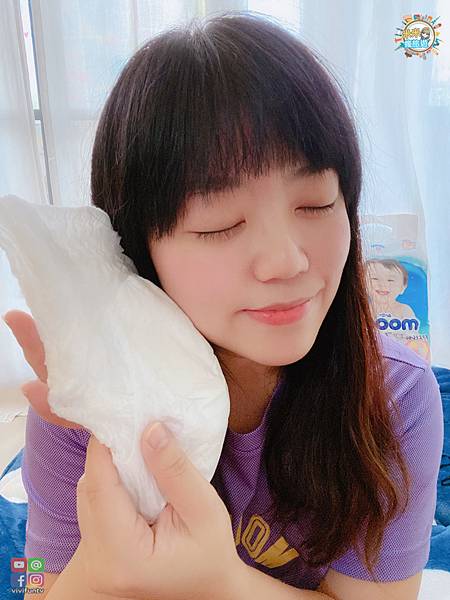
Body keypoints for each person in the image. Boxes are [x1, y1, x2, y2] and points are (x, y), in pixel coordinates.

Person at [3, 10, 443, 600]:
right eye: (218, 224)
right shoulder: (84, 408)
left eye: (316, 203)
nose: (286, 260)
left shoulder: (393, 395)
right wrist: (102, 566)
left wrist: (218, 581)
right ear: (139, 246)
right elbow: (40, 586)